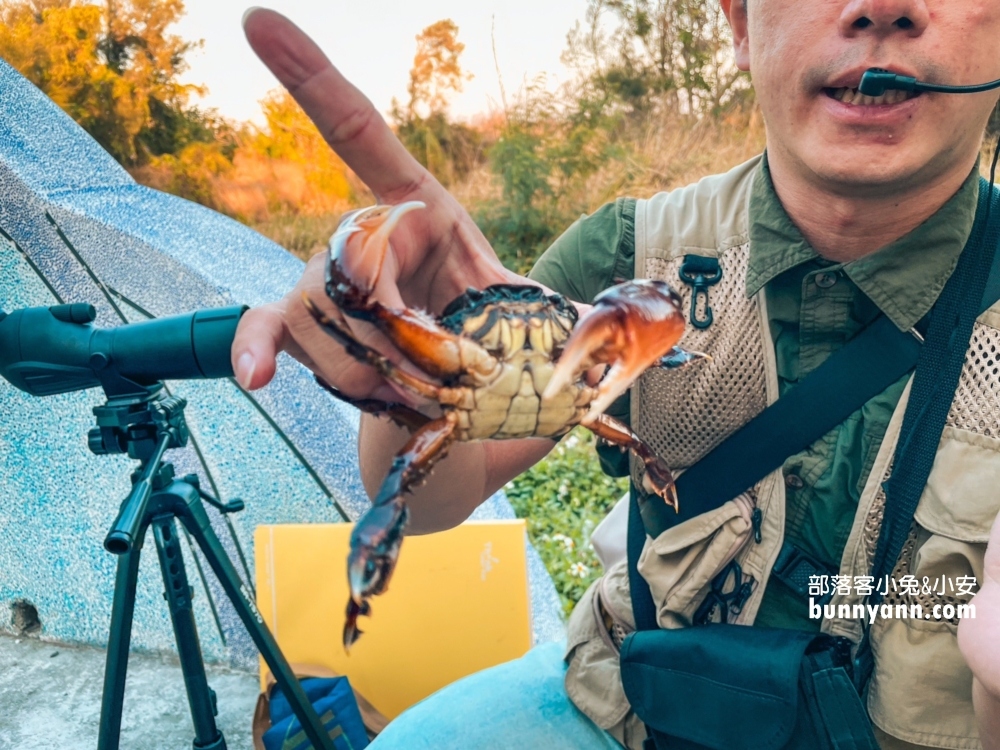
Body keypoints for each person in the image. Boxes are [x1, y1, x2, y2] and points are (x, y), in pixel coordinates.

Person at [233, 2, 1000, 748]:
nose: (884, 8)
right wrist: (405, 353)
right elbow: (437, 500)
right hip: (641, 702)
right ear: (738, 22)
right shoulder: (629, 255)